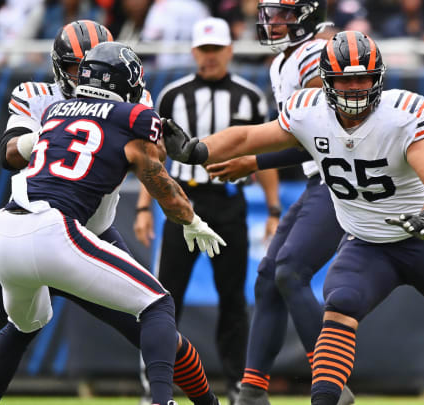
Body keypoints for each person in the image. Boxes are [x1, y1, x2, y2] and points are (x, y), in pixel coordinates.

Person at [162, 30, 424, 405]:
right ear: (325, 81)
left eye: (362, 80)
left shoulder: (402, 116)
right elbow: (248, 138)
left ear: (378, 78)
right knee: (340, 304)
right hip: (366, 242)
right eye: (344, 82)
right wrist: (198, 151)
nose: (353, 90)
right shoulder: (308, 111)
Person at [0, 20, 219, 405]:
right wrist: (52, 130)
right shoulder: (39, 96)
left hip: (49, 230)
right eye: (76, 68)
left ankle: (205, 401)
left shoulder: (125, 103)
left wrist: (60, 124)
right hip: (59, 232)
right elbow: (8, 154)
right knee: (156, 306)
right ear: (58, 66)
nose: (86, 76)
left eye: (93, 66)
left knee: (155, 332)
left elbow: (149, 155)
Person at [202, 2, 353, 404]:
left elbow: (319, 135)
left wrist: (254, 159)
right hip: (317, 180)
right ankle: (251, 393)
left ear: (306, 16)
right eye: (270, 14)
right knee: (269, 277)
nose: (272, 23)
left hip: (342, 180)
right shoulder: (284, 62)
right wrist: (254, 158)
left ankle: (333, 387)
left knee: (289, 273)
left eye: (283, 15)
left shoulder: (315, 55)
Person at [133, 17, 279, 404]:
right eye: (204, 49)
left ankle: (237, 386)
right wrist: (145, 206)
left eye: (216, 49)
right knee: (164, 300)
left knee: (233, 300)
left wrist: (274, 209)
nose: (210, 57)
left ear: (230, 50)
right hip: (181, 203)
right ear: (194, 51)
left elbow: (260, 154)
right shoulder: (172, 95)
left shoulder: (249, 96)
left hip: (228, 203)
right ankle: (155, 388)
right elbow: (151, 157)